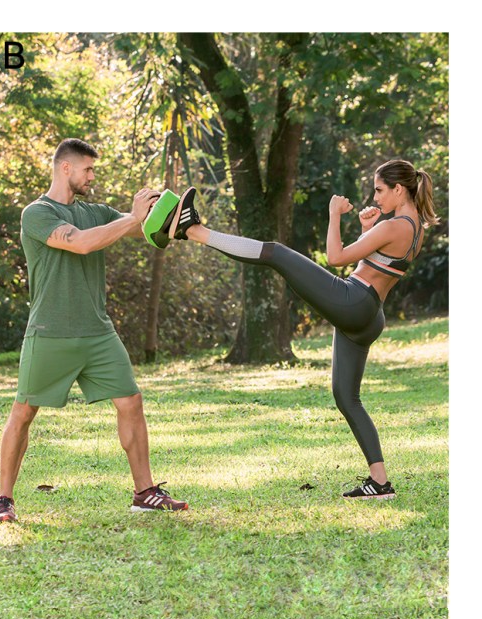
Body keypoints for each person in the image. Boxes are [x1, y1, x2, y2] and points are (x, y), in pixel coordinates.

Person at [155, 159, 438, 499]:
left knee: (276, 253)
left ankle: (191, 229)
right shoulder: (414, 226)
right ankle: (380, 482)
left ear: (399, 189)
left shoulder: (395, 225)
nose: (375, 197)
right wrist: (366, 229)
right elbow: (374, 265)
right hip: (368, 314)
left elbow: (336, 258)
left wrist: (335, 213)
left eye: (380, 190)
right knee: (347, 398)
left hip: (354, 301)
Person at [0, 138, 189, 523]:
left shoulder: (95, 211)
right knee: (24, 411)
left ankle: (145, 492)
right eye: (88, 169)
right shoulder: (37, 213)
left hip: (97, 332)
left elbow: (145, 229)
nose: (92, 177)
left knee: (131, 401)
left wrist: (175, 216)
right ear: (66, 168)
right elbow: (80, 244)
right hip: (50, 331)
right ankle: (3, 499)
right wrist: (132, 218)